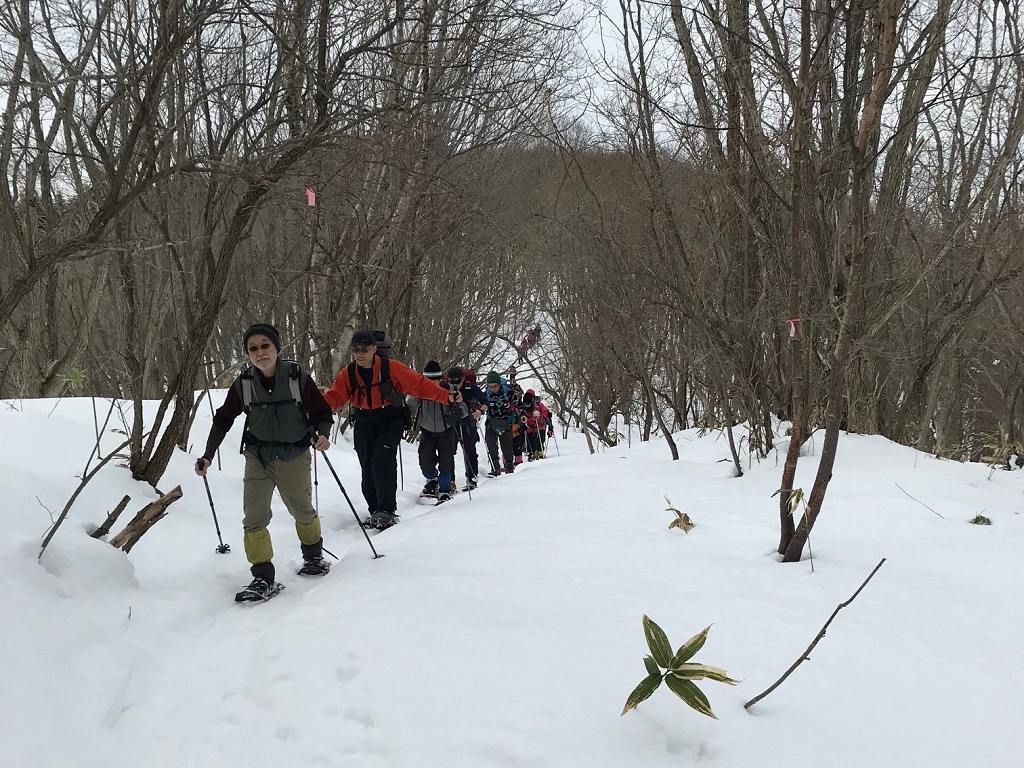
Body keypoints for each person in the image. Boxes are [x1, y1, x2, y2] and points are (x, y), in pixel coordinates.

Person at [195, 323, 334, 602]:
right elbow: (223, 419)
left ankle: (313, 556)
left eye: (265, 346)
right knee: (254, 517)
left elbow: (322, 412)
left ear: (276, 347)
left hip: (294, 455)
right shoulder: (244, 384)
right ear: (248, 354)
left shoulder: (297, 377)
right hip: (257, 457)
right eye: (253, 348)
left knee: (302, 510)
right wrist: (208, 454)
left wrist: (323, 434)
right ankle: (262, 577)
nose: (260, 353)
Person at [323, 330, 461, 529]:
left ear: (374, 349)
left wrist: (445, 396)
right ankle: (375, 510)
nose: (359, 354)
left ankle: (386, 511)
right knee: (367, 465)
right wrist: (312, 406)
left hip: (390, 419)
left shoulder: (390, 368)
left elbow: (418, 385)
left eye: (364, 349)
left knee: (382, 460)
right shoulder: (348, 373)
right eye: (355, 350)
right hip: (363, 420)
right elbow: (335, 397)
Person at [409, 361, 468, 504]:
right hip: (427, 431)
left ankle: (444, 490)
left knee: (445, 463)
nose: (432, 383)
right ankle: (432, 478)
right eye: (429, 380)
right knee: (425, 462)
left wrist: (458, 412)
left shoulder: (451, 390)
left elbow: (464, 410)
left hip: (446, 431)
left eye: (435, 379)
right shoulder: (419, 391)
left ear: (440, 378)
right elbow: (410, 406)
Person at [446, 366, 488, 491]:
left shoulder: (471, 388)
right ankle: (450, 481)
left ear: (463, 379)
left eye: (457, 382)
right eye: (452, 382)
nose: (455, 385)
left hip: (467, 424)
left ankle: (472, 478)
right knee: (448, 453)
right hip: (451, 425)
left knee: (469, 452)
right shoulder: (446, 387)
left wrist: (480, 411)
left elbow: (485, 401)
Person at [483, 370, 519, 476]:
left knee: (507, 446)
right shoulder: (486, 394)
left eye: (495, 386)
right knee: (490, 444)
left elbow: (519, 404)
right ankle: (495, 468)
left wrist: (521, 415)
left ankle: (509, 467)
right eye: (490, 386)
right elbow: (480, 404)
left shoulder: (509, 392)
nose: (493, 389)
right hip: (491, 422)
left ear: (499, 384)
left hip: (506, 423)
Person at [520, 389, 551, 461]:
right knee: (531, 443)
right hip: (529, 428)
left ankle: (540, 455)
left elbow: (546, 413)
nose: (527, 406)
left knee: (539, 441)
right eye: (525, 404)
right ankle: (532, 454)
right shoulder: (522, 407)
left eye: (528, 404)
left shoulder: (538, 405)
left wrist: (541, 416)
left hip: (539, 426)